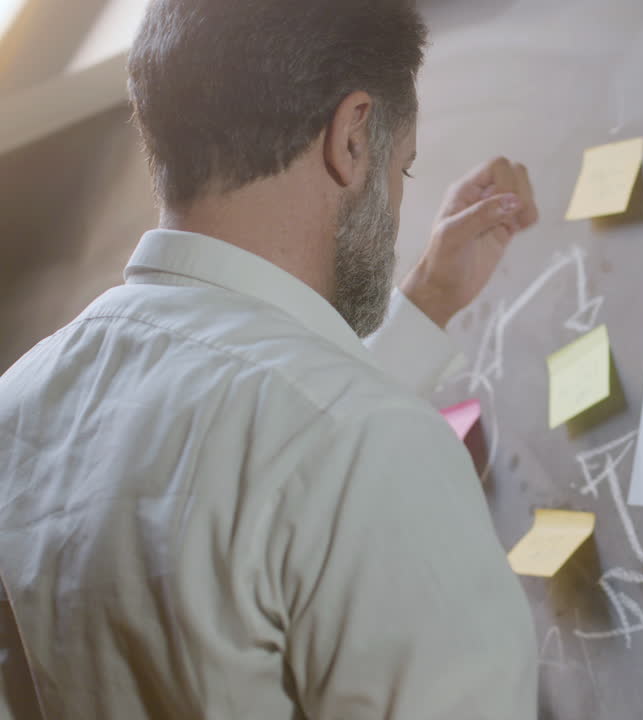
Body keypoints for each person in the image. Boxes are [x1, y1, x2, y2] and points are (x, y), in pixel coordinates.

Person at [0, 0, 539, 717]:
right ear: (351, 139)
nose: (397, 200)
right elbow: (310, 452)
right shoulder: (373, 451)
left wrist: (427, 304)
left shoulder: (20, 403)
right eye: (401, 171)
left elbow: (251, 451)